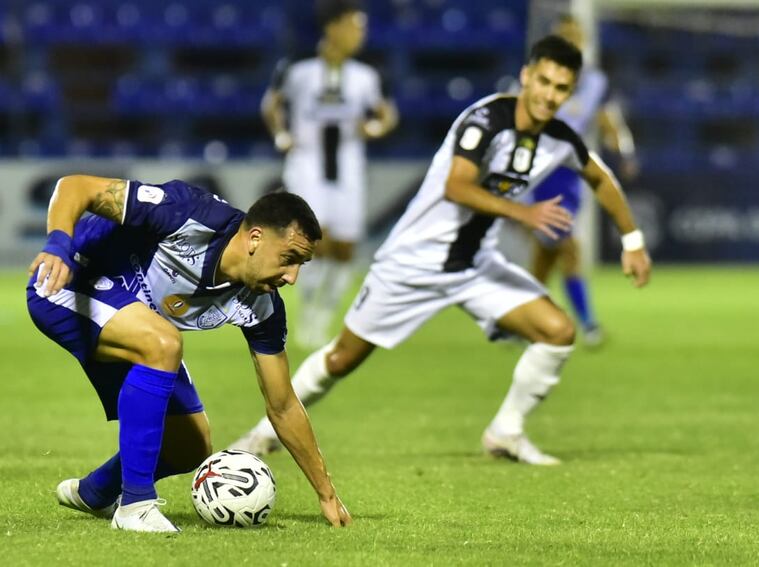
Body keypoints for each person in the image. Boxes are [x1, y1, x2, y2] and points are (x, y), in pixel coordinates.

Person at [231, 35, 651, 465]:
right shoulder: (486, 121)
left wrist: (632, 242)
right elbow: (457, 186)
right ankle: (264, 434)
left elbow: (601, 179)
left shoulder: (560, 139)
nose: (549, 94)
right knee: (341, 358)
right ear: (527, 76)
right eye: (543, 81)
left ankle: (506, 432)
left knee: (558, 332)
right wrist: (521, 213)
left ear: (570, 92)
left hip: (475, 266)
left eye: (561, 88)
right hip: (413, 262)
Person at [27, 175, 351, 532]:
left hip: (134, 321)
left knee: (190, 446)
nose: (292, 278)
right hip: (67, 281)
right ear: (255, 238)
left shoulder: (262, 306)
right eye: (289, 259)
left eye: (300, 265)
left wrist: (325, 491)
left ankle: (95, 491)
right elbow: (74, 187)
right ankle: (135, 506)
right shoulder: (187, 211)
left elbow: (283, 404)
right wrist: (57, 244)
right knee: (163, 343)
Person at [261, 0, 398, 348]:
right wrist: (282, 135)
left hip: (349, 168)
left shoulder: (366, 74)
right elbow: (271, 104)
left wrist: (376, 129)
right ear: (333, 27)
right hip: (307, 166)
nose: (360, 34)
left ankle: (324, 315)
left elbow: (387, 114)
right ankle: (307, 316)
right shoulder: (298, 67)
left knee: (346, 249)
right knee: (313, 242)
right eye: (355, 26)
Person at [523, 15, 638, 347]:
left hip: (571, 171)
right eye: (565, 36)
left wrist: (623, 151)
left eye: (576, 36)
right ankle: (587, 324)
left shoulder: (594, 82)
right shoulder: (542, 78)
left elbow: (607, 121)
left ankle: (519, 321)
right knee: (568, 247)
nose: (572, 42)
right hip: (541, 170)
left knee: (545, 256)